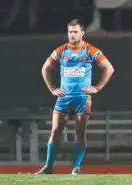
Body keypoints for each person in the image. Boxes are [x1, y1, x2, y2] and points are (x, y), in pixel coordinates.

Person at [36, 19, 115, 175]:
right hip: (64, 98)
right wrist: (52, 88)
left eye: (75, 32)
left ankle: (76, 167)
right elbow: (45, 68)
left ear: (82, 33)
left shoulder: (90, 50)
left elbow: (109, 68)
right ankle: (48, 166)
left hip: (82, 99)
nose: (72, 35)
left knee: (80, 134)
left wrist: (97, 87)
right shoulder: (60, 51)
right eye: (70, 32)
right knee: (55, 131)